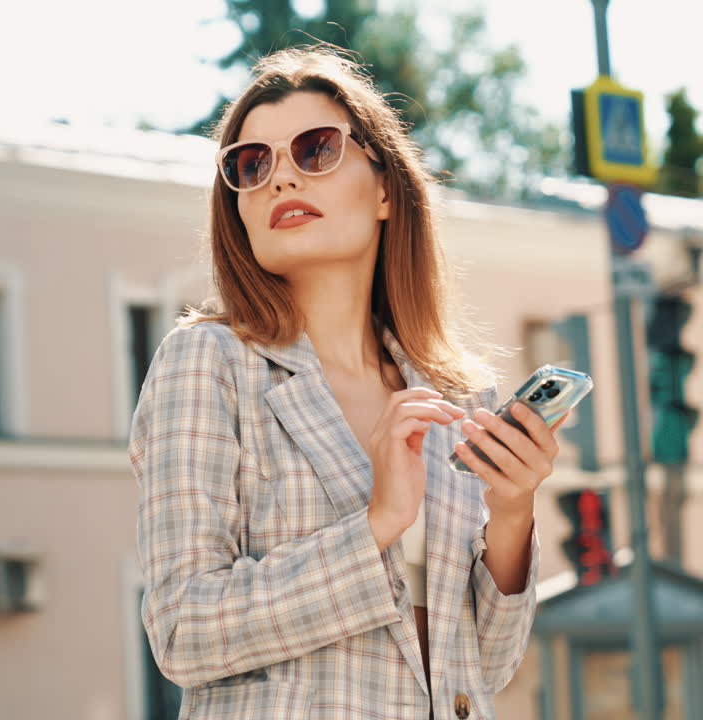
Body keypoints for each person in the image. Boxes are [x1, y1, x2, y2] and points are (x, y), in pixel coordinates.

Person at [130, 45, 566, 720]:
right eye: (252, 164)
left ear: (386, 187)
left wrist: (512, 514)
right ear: (236, 206)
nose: (281, 179)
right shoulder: (208, 363)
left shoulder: (458, 397)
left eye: (316, 149)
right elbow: (185, 632)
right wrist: (377, 525)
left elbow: (483, 667)